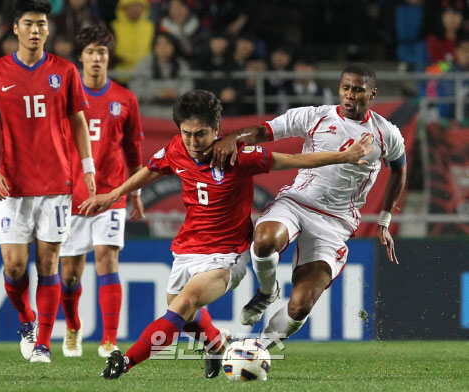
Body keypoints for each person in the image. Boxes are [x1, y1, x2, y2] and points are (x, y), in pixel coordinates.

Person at [78, 89, 374, 380]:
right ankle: (216, 343)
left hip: (227, 255)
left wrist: (344, 156)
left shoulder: (239, 156)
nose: (193, 142)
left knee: (182, 306)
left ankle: (125, 362)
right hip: (188, 248)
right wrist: (113, 195)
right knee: (186, 317)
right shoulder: (176, 148)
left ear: (217, 129)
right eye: (187, 133)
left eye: (201, 134)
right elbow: (153, 168)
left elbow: (293, 160)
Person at [208, 63, 407, 346]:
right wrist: (232, 137)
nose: (350, 95)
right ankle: (267, 291)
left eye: (358, 90)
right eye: (345, 88)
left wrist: (385, 220)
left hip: (336, 222)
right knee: (264, 241)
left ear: (371, 94)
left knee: (301, 306)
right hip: (299, 202)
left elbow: (399, 170)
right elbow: (263, 131)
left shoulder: (387, 134)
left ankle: (255, 349)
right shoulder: (314, 116)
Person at [0, 0, 95, 363]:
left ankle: (43, 342)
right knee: (13, 266)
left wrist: (87, 167)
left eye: (41, 24)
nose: (35, 30)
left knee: (48, 265)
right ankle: (27, 320)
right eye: (28, 23)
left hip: (56, 183)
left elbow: (78, 121)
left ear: (48, 28)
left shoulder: (65, 71)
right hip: (12, 185)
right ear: (15, 28)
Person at [58, 25, 145, 359]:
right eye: (91, 52)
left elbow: (133, 150)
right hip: (70, 195)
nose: (97, 58)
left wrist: (134, 192)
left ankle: (109, 339)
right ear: (80, 57)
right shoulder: (64, 94)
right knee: (70, 274)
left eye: (103, 52)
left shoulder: (125, 99)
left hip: (110, 193)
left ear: (108, 57)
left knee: (108, 260)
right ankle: (73, 327)